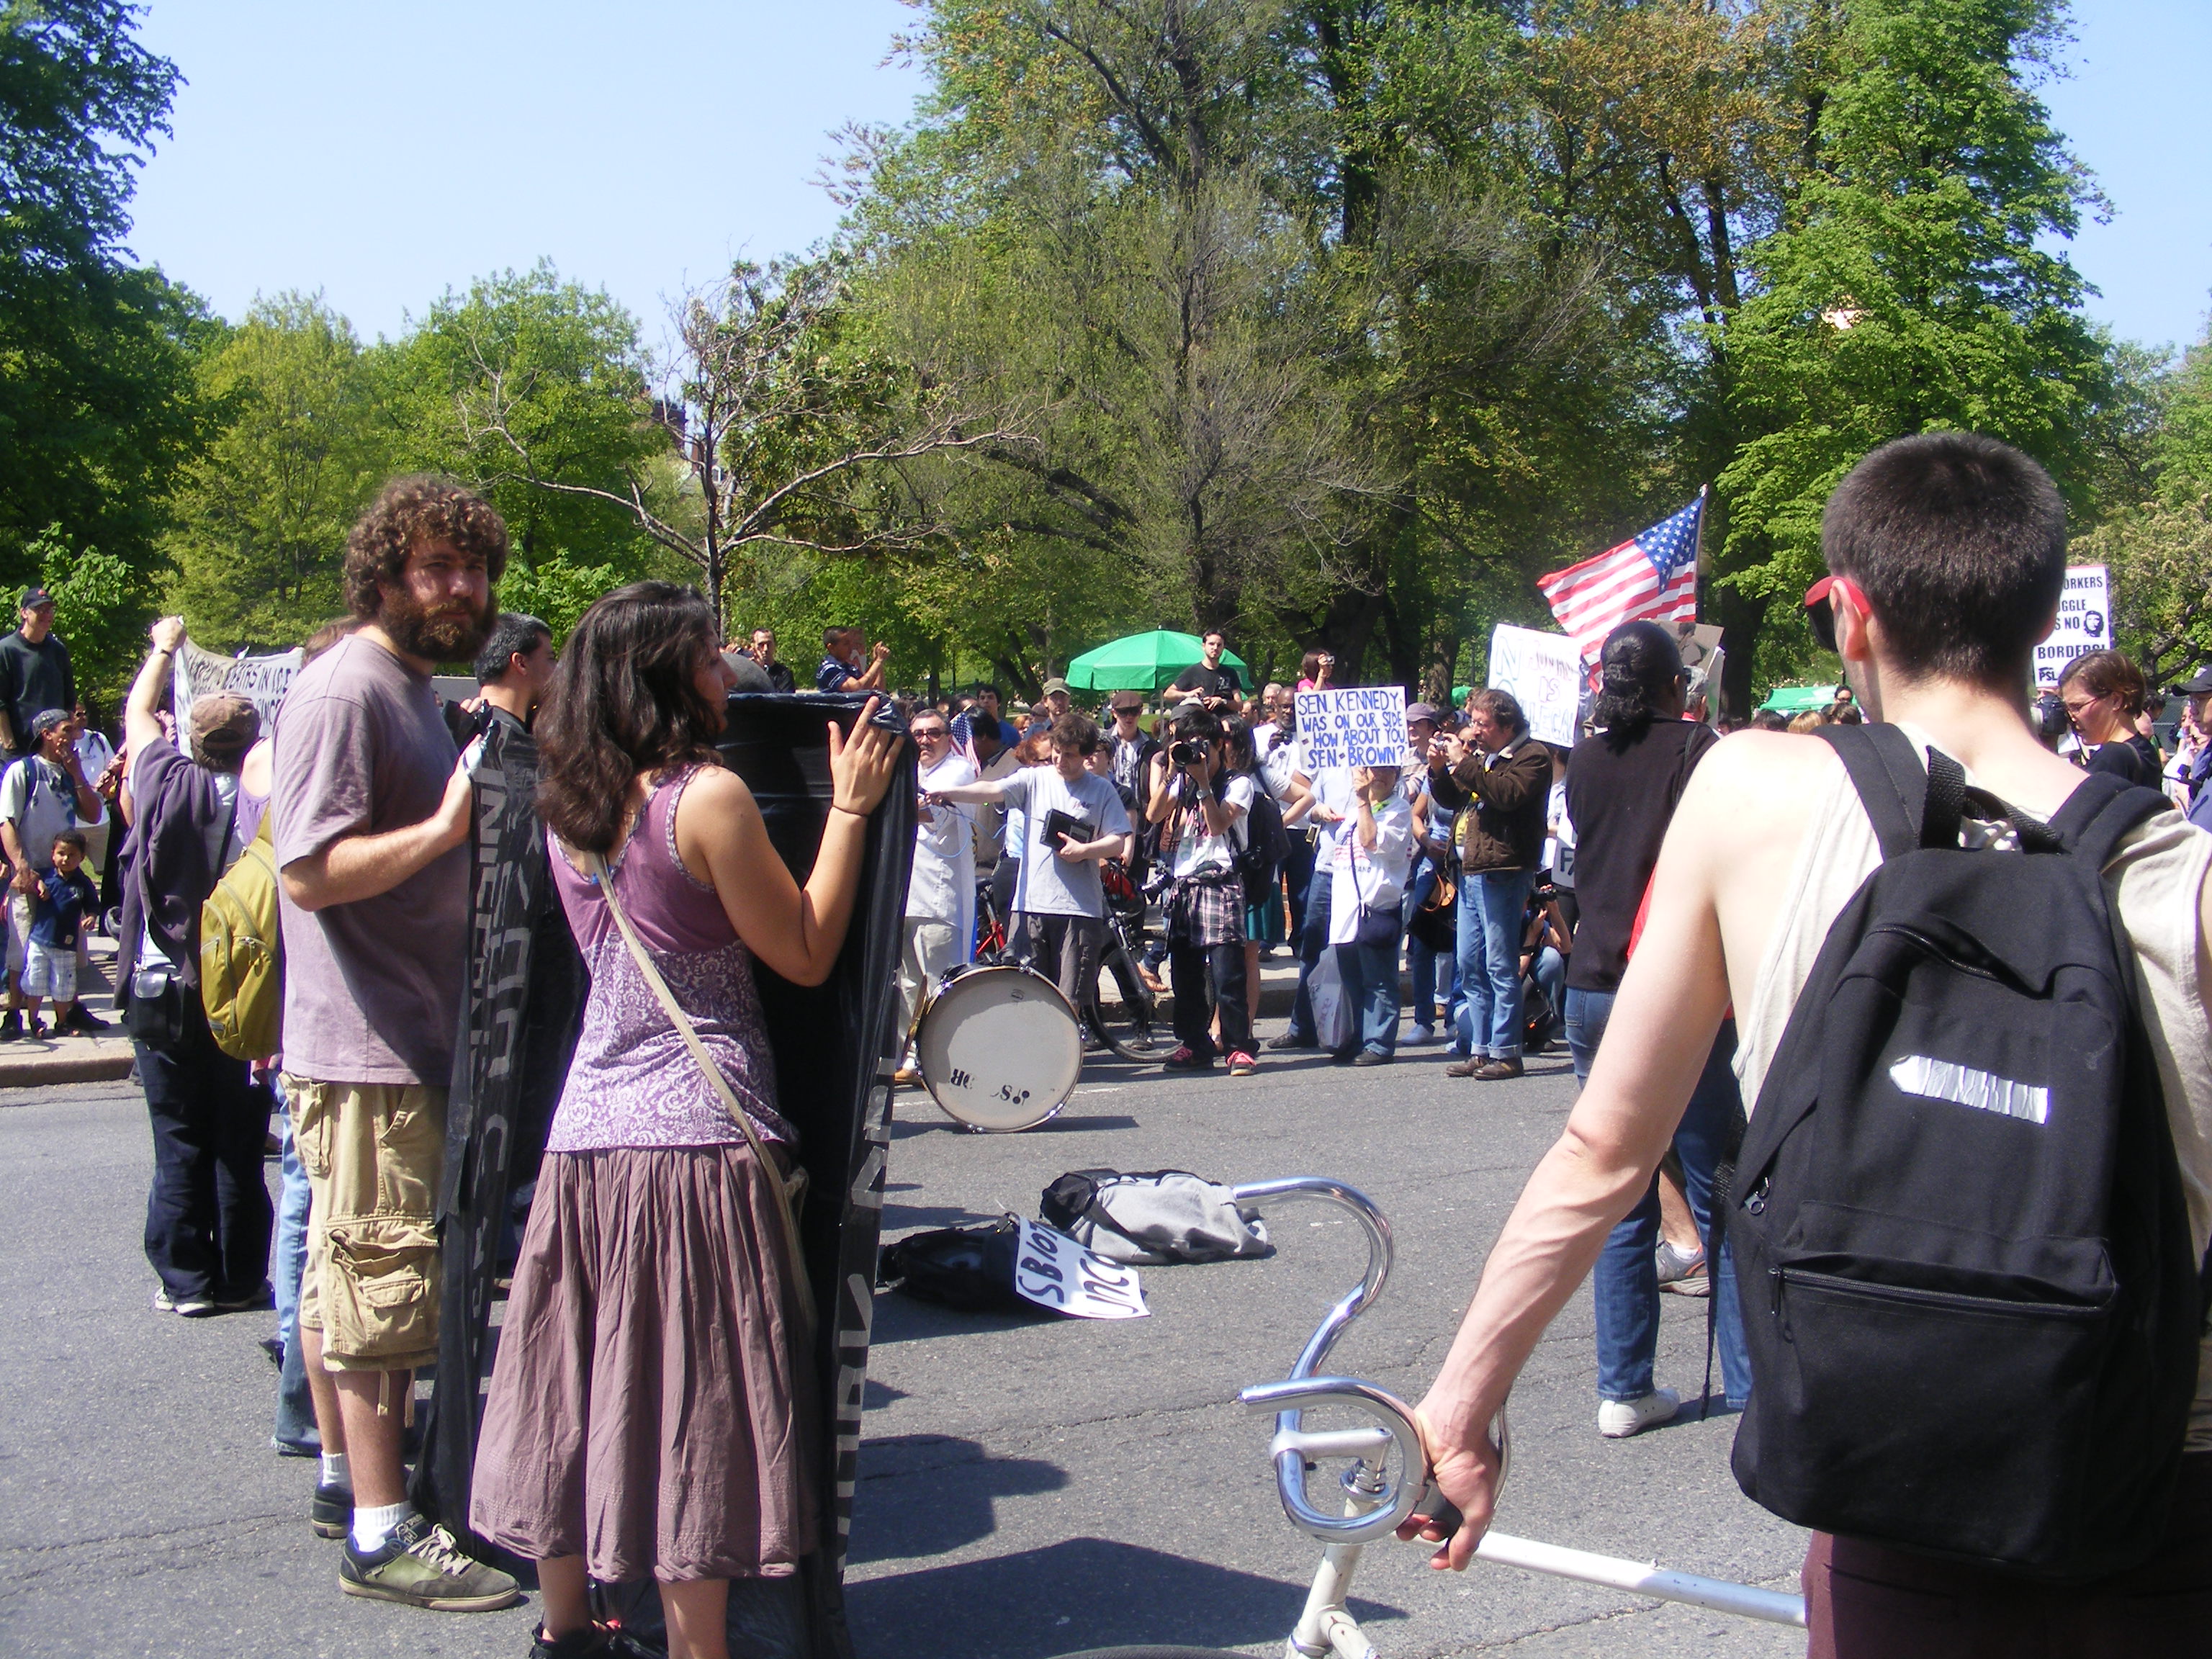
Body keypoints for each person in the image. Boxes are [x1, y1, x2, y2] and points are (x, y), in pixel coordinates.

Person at [1401, 433, 2212, 1656]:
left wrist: (1462, 1405)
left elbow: (1606, 1150)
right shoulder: (2186, 872)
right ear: (2045, 621)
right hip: (2162, 1485)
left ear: (1852, 616)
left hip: (1892, 1467)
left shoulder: (1751, 793)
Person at [465, 583, 899, 1659]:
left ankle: (568, 1630)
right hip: (697, 1142)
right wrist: (849, 813)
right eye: (709, 657)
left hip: (587, 1137)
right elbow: (805, 951)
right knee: (689, 1406)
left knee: (574, 1385)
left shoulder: (568, 804)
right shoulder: (706, 799)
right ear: (664, 676)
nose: (726, 675)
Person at [271, 475, 519, 1611]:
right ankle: (381, 1534)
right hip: (368, 1042)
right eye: (435, 569)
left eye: (472, 569)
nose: (459, 588)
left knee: (347, 1274)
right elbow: (310, 871)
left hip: (400, 1032)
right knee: (381, 1281)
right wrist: (447, 827)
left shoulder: (410, 686)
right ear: (384, 575)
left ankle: (348, 1481)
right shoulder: (346, 689)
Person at [1561, 619, 1751, 1437]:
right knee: (1721, 1188)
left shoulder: (1585, 758)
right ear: (1679, 684)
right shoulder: (1699, 751)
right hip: (1675, 985)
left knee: (1620, 1190)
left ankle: (1624, 1386)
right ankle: (1747, 1383)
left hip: (1592, 984)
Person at [117, 618, 271, 1319]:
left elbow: (137, 712)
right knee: (239, 1141)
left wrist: (164, 647)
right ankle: (241, 1275)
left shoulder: (163, 780)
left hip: (166, 989)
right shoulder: (267, 800)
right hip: (242, 989)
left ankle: (186, 1280)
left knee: (178, 1136)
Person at [928, 712, 1132, 1015]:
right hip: (1030, 907)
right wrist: (949, 793)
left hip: (1077, 909)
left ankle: (1068, 1044)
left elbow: (1118, 840)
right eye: (1057, 752)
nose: (1060, 760)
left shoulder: (1101, 789)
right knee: (1025, 996)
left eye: (1070, 755)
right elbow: (992, 790)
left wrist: (1085, 850)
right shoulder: (1034, 778)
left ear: (1087, 756)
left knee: (1069, 1001)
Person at [1431, 688, 1550, 1080]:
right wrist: (1438, 770)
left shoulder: (1532, 757)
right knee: (1470, 963)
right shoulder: (1485, 759)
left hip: (1504, 871)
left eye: (1483, 724)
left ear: (1507, 725)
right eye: (1474, 723)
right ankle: (1480, 1049)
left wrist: (1464, 762)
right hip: (1470, 871)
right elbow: (1453, 799)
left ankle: (1507, 1051)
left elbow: (1505, 794)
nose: (1476, 731)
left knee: (1500, 963)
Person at [1145, 707, 1257, 1074]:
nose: (1196, 752)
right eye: (1188, 745)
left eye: (1202, 745)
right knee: (1185, 975)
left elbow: (1218, 823)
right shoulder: (1182, 781)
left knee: (1227, 974)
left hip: (1221, 882)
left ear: (1219, 745)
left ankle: (1238, 1046)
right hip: (1185, 883)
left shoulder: (1238, 783)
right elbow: (1153, 815)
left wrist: (1204, 784)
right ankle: (1194, 1044)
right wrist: (1173, 772)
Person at [0, 705, 105, 1038]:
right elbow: (7, 821)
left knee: (67, 948)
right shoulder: (23, 771)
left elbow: (93, 814)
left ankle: (69, 1011)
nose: (73, 737)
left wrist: (78, 776)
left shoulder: (69, 773)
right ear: (47, 734)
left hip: (64, 877)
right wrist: (21, 866)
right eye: (66, 730)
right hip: (31, 875)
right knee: (22, 948)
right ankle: (14, 1015)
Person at [896, 707, 974, 1085]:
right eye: (918, 734)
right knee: (907, 984)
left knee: (941, 982)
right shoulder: (911, 771)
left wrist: (890, 803)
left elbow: (929, 812)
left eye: (933, 733)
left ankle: (946, 1058)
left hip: (940, 900)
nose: (925, 740)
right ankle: (910, 1058)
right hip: (906, 896)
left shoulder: (958, 770)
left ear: (948, 737)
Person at [1328, 763, 1412, 1065]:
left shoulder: (1399, 810)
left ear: (1397, 776)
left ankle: (1379, 1043)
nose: (1380, 775)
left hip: (1376, 908)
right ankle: (1356, 1039)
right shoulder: (1353, 812)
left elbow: (1371, 841)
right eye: (1374, 768)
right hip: (1346, 910)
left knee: (1379, 980)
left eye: (1388, 770)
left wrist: (1363, 800)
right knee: (1352, 980)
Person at [19, 826, 96, 1038]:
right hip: (40, 941)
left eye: (72, 855)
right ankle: (34, 1021)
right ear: (53, 854)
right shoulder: (46, 876)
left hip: (66, 945)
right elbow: (25, 882)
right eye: (61, 853)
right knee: (34, 983)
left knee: (63, 987)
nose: (66, 859)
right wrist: (38, 884)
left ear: (82, 857)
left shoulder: (83, 883)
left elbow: (92, 905)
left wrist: (91, 917)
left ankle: (62, 1023)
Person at [2059, 649, 2162, 787]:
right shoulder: (2144, 748)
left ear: (2116, 701)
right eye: (2067, 708)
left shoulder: (2112, 757)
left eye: (2077, 707)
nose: (2071, 717)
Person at [0, 586, 73, 759]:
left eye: (49, 610)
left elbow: (69, 699)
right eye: (39, 609)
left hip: (54, 751)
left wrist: (68, 739)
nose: (46, 615)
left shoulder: (58, 650)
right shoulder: (6, 650)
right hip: (20, 750)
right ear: (24, 613)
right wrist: (10, 746)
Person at [470, 612, 556, 733]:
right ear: (521, 663)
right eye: (551, 659)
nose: (556, 669)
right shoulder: (508, 739)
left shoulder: (461, 731)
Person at [1164, 631, 1244, 715]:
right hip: (1200, 719)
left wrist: (1223, 701)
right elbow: (1168, 694)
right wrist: (1189, 694)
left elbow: (1239, 705)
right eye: (1211, 644)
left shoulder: (1230, 673)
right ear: (1204, 646)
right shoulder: (1192, 671)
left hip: (1224, 720)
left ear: (1223, 648)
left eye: (1219, 645)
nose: (1215, 648)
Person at [815, 626, 887, 693]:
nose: (851, 647)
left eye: (851, 643)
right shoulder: (829, 669)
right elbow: (857, 688)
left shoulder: (851, 668)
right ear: (832, 648)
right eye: (846, 644)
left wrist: (879, 662)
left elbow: (879, 691)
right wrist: (878, 661)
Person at [748, 627, 797, 693]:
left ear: (775, 646)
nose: (766, 649)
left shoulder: (784, 674)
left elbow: (784, 698)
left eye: (769, 644)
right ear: (753, 647)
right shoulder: (746, 673)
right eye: (761, 645)